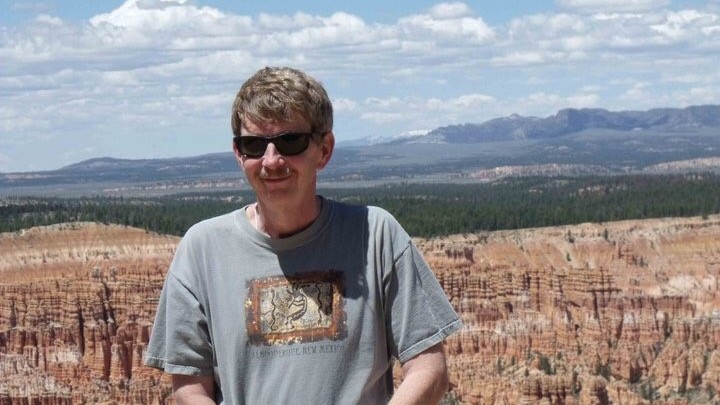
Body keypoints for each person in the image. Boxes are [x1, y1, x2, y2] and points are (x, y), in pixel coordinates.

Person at [144, 66, 463, 404]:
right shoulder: (202, 249)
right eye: (253, 144)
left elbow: (429, 367)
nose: (271, 160)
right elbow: (189, 386)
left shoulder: (376, 235)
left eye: (290, 141)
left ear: (324, 149)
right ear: (239, 154)